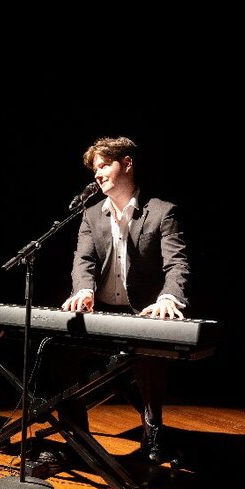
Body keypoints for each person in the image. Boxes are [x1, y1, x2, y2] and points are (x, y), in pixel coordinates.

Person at [49, 135, 191, 466]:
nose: (96, 174)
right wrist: (83, 289)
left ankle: (153, 429)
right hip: (99, 309)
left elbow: (177, 264)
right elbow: (82, 261)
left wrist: (169, 296)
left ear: (126, 164)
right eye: (94, 169)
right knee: (55, 349)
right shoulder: (91, 216)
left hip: (141, 310)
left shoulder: (161, 212)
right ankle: (78, 437)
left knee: (150, 347)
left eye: (103, 165)